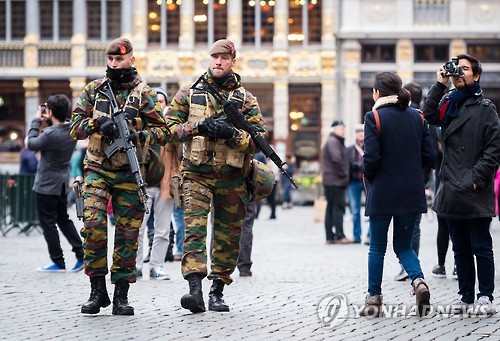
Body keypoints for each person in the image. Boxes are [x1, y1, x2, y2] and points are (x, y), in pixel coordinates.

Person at [70, 37, 170, 316]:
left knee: (128, 234)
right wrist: (97, 123)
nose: (115, 64)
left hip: (129, 171)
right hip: (98, 168)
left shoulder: (144, 94)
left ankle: (121, 295)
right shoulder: (94, 90)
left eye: (120, 60)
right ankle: (97, 289)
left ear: (131, 60)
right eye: (111, 60)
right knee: (92, 225)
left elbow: (164, 131)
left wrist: (140, 134)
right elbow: (74, 127)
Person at [165, 39, 266, 313]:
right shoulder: (189, 92)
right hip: (196, 174)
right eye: (214, 57)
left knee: (227, 235)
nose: (218, 62)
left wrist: (231, 135)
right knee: (194, 230)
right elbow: (167, 129)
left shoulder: (246, 100)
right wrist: (197, 127)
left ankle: (217, 291)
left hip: (232, 176)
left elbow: (258, 141)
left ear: (233, 61)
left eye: (223, 58)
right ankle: (194, 290)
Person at [422, 54, 500, 316]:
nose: (460, 73)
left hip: (474, 186)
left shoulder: (486, 108)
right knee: (460, 246)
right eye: (458, 69)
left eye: (465, 69)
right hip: (451, 187)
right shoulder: (447, 103)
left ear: (476, 76)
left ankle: (485, 295)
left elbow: (494, 148)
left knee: (480, 245)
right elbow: (428, 116)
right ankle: (465, 295)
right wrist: (440, 84)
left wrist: (476, 179)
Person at [359, 71, 435, 317]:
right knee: (404, 246)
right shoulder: (418, 117)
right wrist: (416, 178)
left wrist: (369, 177)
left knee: (377, 247)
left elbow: (370, 158)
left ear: (377, 93)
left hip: (382, 191)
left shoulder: (374, 117)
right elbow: (430, 156)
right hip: (411, 192)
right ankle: (418, 281)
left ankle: (373, 300)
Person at [28, 94, 84, 273]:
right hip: (61, 182)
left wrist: (37, 121)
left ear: (50, 111)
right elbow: (58, 129)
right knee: (63, 220)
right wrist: (51, 120)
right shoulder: (71, 130)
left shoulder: (50, 133)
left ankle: (58, 262)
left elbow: (31, 143)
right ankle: (81, 255)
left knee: (48, 224)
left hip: (46, 184)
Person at [136, 87, 179, 280]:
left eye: (161, 101)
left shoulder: (172, 124)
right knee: (137, 227)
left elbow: (180, 142)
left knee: (162, 229)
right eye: (155, 101)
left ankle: (156, 266)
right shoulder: (140, 123)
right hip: (143, 183)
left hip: (165, 182)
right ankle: (135, 266)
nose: (158, 105)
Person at [394, 81, 425, 281]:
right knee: (414, 225)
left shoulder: (399, 117)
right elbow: (430, 152)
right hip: (419, 180)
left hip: (397, 180)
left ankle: (407, 266)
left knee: (399, 228)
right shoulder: (423, 118)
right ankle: (412, 265)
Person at [321, 120, 350, 244]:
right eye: (342, 128)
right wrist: (344, 174)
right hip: (335, 180)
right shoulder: (333, 141)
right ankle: (339, 235)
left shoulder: (332, 141)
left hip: (331, 180)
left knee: (331, 208)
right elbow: (337, 159)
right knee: (337, 208)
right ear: (335, 130)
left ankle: (330, 236)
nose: (344, 131)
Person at [346, 124, 365, 244]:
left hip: (367, 181)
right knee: (355, 210)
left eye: (362, 132)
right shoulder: (349, 149)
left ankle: (370, 236)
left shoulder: (370, 146)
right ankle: (356, 235)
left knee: (371, 210)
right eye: (358, 132)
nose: (361, 134)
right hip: (353, 181)